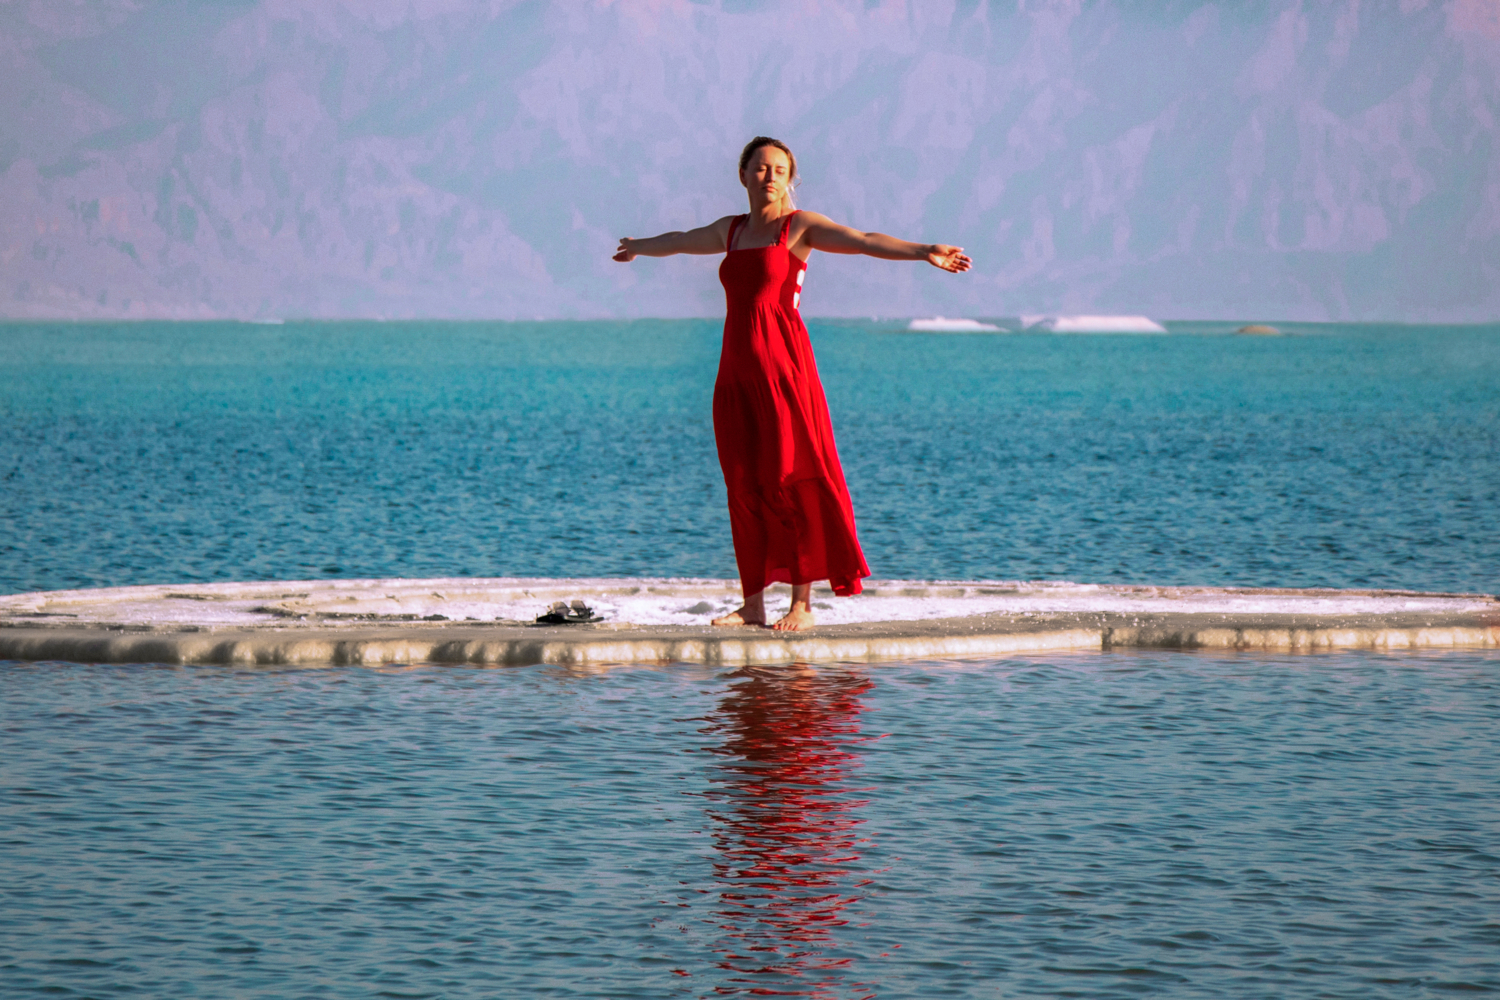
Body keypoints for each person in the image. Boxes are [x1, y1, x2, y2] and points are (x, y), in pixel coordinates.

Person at [613, 137, 971, 631]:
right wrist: (639, 248)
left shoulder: (797, 228)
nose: (770, 177)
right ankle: (753, 604)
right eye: (760, 168)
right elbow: (680, 239)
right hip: (736, 374)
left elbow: (863, 239)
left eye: (779, 169)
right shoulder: (732, 231)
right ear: (743, 176)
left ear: (790, 178)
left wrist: (923, 250)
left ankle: (802, 604)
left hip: (785, 373)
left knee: (791, 477)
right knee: (745, 484)